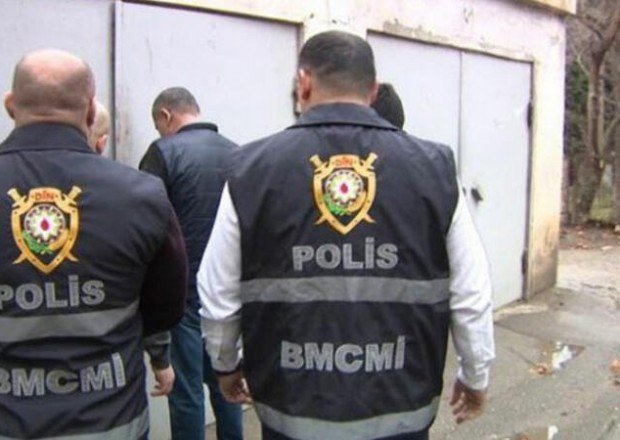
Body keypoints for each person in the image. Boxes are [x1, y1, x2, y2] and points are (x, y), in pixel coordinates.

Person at [198, 30, 495, 440]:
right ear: (373, 90)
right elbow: (471, 292)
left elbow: (217, 292)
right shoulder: (435, 167)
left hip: (292, 415)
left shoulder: (250, 168)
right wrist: (475, 375)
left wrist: (226, 365)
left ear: (303, 83)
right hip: (400, 413)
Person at [0, 49, 187, 439]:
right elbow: (165, 309)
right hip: (110, 421)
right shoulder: (142, 195)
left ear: (10, 105)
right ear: (89, 111)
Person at [139, 87, 243, 440]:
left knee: (186, 395)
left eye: (158, 125)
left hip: (180, 295)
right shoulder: (237, 153)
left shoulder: (163, 153)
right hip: (225, 293)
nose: (160, 133)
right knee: (228, 386)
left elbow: (146, 227)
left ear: (166, 116)